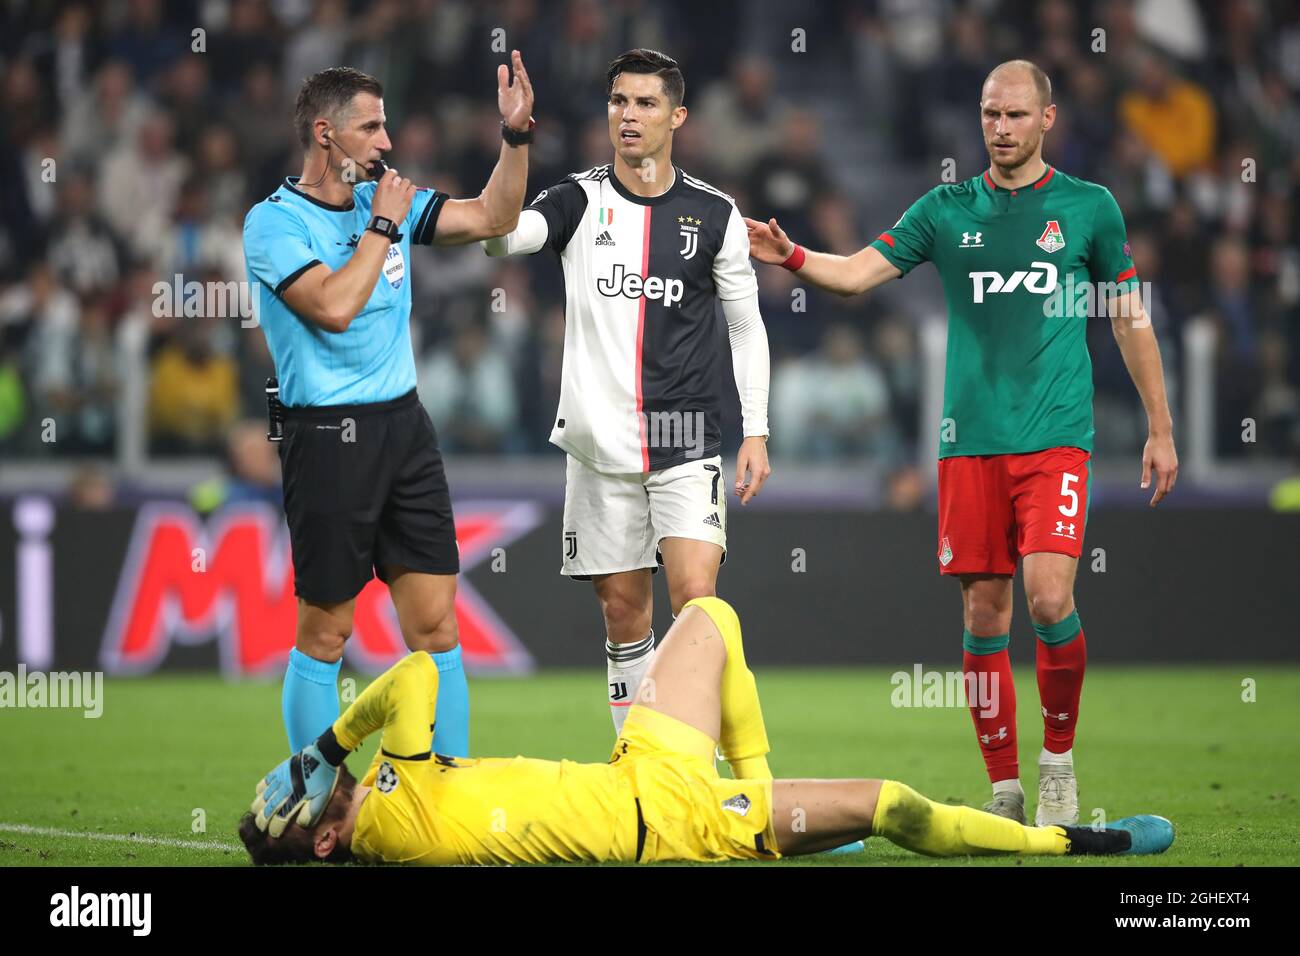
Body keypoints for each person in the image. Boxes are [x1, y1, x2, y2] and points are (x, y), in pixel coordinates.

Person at [745, 60, 1179, 826]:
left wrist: (1161, 425)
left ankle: (1057, 767)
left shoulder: (1089, 210)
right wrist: (796, 257)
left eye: (1015, 115)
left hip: (1054, 440)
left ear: (1048, 119)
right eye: (989, 115)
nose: (1000, 129)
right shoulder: (946, 210)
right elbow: (854, 275)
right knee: (984, 617)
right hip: (968, 445)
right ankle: (1005, 788)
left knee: (1049, 595)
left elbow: (1128, 317)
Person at [239, 596, 1174, 865]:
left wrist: (324, 759)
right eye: (294, 806)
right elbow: (406, 674)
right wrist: (323, 750)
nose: (298, 789)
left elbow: (407, 684)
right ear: (325, 840)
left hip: (638, 771)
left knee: (710, 619)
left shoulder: (397, 794)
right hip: (674, 826)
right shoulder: (390, 823)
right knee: (894, 805)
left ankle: (768, 794)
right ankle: (1066, 842)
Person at [241, 56, 534, 760]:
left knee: (437, 628)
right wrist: (381, 226)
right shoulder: (273, 224)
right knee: (326, 633)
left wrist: (516, 136)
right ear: (325, 134)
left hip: (405, 428)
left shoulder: (391, 202)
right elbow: (333, 309)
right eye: (370, 127)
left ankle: (448, 788)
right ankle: (313, 801)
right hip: (326, 437)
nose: (386, 142)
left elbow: (496, 215)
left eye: (385, 124)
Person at [482, 49, 772, 736]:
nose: (629, 116)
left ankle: (721, 771)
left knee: (699, 605)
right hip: (597, 444)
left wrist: (755, 428)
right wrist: (515, 139)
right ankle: (640, 772)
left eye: (645, 103)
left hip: (685, 440)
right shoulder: (578, 200)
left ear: (678, 116)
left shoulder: (716, 213)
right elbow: (499, 241)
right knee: (623, 615)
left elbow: (744, 325)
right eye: (619, 102)